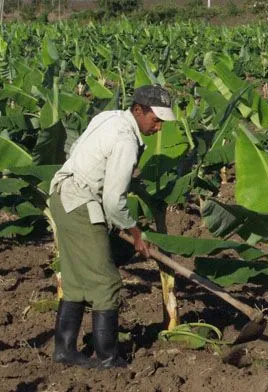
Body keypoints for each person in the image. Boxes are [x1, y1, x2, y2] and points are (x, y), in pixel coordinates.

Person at [48, 85, 176, 369]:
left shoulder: (110, 117)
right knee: (106, 282)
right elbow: (113, 200)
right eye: (156, 120)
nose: (158, 128)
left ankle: (64, 350)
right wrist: (136, 233)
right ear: (139, 110)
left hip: (63, 195)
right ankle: (107, 358)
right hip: (81, 202)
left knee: (78, 281)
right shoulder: (125, 140)